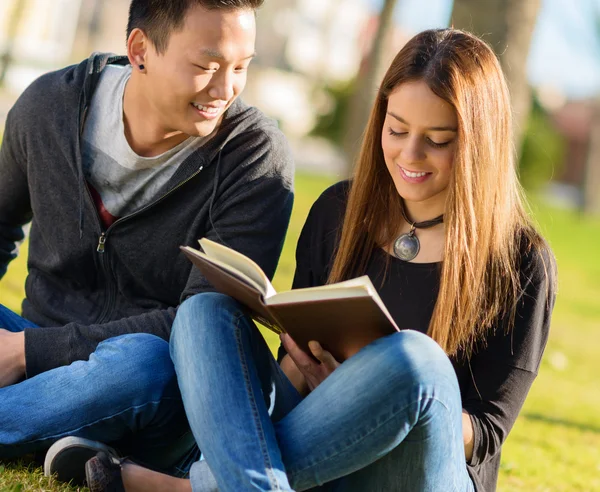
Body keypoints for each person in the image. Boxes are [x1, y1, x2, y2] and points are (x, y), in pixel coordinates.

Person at [72, 28, 556, 492]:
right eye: (397, 129)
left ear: (478, 144)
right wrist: (321, 385)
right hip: (324, 458)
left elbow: (487, 434)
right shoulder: (338, 213)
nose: (410, 153)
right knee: (204, 312)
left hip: (416, 471)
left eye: (438, 140)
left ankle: (190, 487)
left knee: (417, 362)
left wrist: (375, 394)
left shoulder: (520, 260)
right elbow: (292, 370)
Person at [0, 0, 294, 481]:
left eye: (241, 67)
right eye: (206, 66)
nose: (225, 89)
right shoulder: (48, 107)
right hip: (43, 365)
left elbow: (202, 328)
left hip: (145, 387)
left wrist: (23, 353)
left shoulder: (255, 158)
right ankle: (59, 434)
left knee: (145, 361)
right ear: (140, 50)